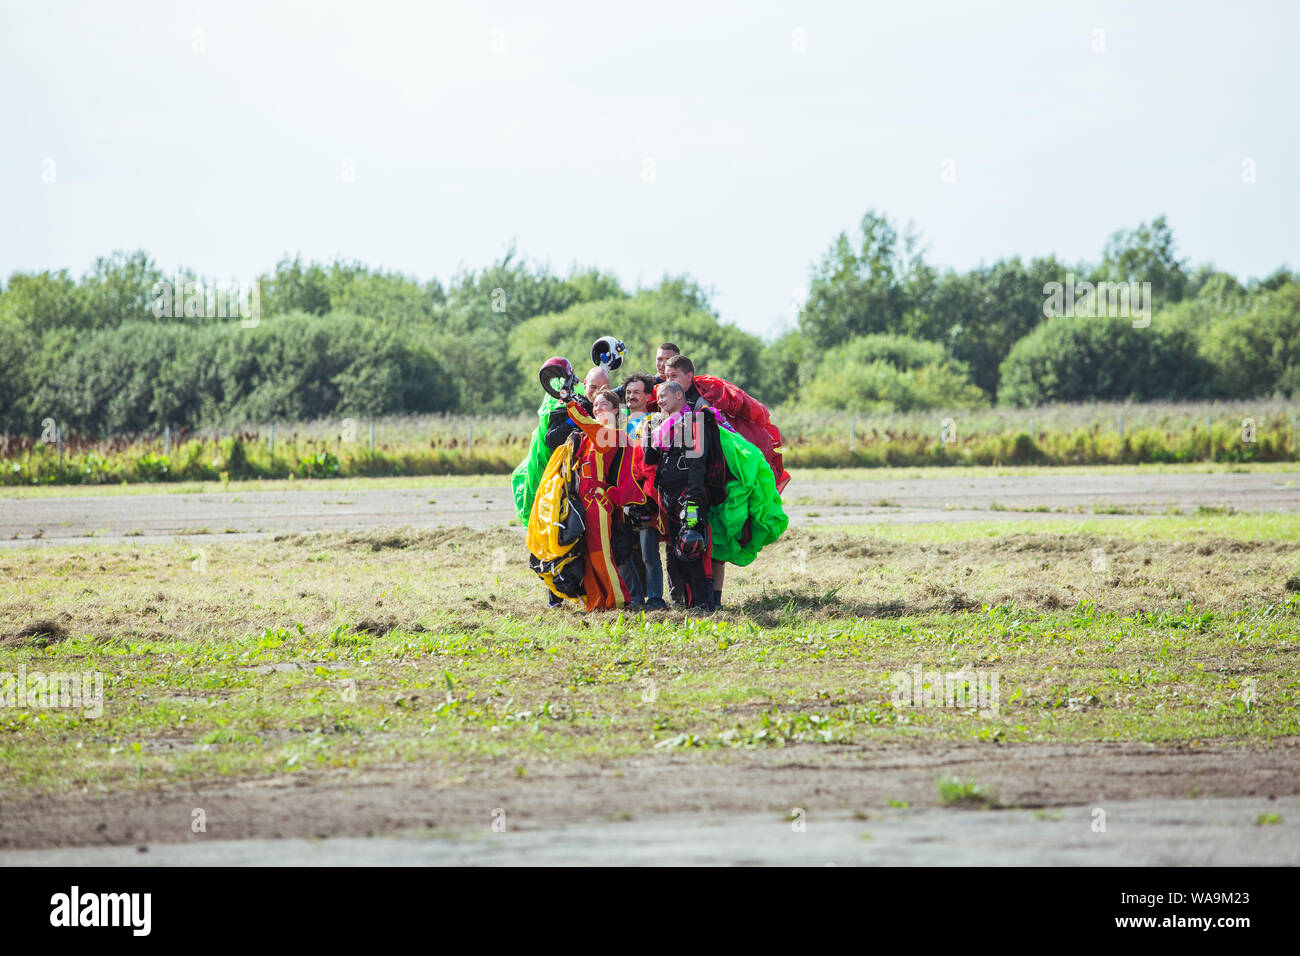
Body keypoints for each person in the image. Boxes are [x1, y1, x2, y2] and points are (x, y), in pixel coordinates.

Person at [557, 381, 647, 611]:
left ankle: (618, 601)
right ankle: (596, 603)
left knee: (601, 555)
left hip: (598, 503)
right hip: (581, 505)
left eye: (603, 405)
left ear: (616, 410)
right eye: (595, 405)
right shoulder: (588, 437)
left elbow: (588, 424)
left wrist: (570, 403)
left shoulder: (611, 435)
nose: (597, 409)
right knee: (587, 557)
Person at [640, 380, 714, 610]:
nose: (659, 401)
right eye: (658, 397)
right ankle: (692, 605)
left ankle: (704, 604)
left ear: (679, 396)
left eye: (664, 396)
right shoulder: (662, 426)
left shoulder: (693, 422)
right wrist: (647, 435)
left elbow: (698, 466)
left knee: (694, 546)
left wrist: (692, 500)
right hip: (669, 500)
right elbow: (650, 459)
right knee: (679, 550)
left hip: (688, 497)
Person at [621, 372, 667, 610]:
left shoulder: (655, 420)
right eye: (628, 392)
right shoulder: (618, 421)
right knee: (624, 551)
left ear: (648, 396)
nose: (631, 396)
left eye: (637, 392)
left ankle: (656, 599)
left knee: (649, 553)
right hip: (623, 498)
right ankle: (635, 597)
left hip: (646, 496)